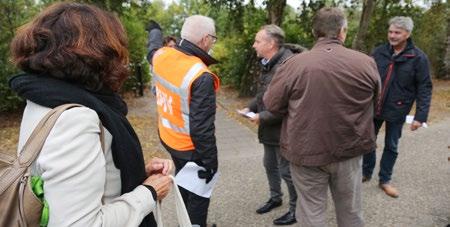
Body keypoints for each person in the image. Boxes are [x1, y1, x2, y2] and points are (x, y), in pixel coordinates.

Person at [8, 3, 173, 227]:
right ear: (99, 53)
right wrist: (149, 192)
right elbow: (79, 223)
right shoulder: (75, 119)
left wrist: (134, 174)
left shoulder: (43, 99)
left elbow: (67, 183)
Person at [263, 7, 380, 227]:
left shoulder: (293, 65)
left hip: (307, 151)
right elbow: (376, 103)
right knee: (351, 212)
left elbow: (271, 104)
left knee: (311, 213)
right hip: (349, 149)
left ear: (314, 32)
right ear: (343, 31)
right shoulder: (366, 62)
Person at [152, 15, 220, 227]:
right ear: (205, 39)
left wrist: (154, 32)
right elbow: (202, 129)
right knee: (199, 198)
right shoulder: (200, 75)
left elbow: (151, 50)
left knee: (183, 184)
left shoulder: (161, 55)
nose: (213, 43)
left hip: (169, 139)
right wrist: (210, 163)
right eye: (214, 39)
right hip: (191, 149)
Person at [362, 16, 433, 198]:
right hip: (374, 106)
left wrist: (420, 116)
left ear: (407, 34)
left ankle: (385, 180)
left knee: (391, 145)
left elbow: (424, 88)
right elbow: (366, 77)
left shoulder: (418, 58)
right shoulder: (379, 52)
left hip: (398, 108)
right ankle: (365, 172)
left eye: (397, 32)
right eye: (390, 31)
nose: (392, 36)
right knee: (368, 141)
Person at [239, 24, 297, 225]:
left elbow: (287, 105)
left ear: (271, 43)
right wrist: (250, 108)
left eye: (257, 41)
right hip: (270, 129)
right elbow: (263, 94)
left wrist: (261, 117)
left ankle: (296, 209)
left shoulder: (287, 65)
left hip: (284, 130)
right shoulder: (268, 62)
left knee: (286, 171)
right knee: (269, 165)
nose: (254, 45)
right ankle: (275, 198)